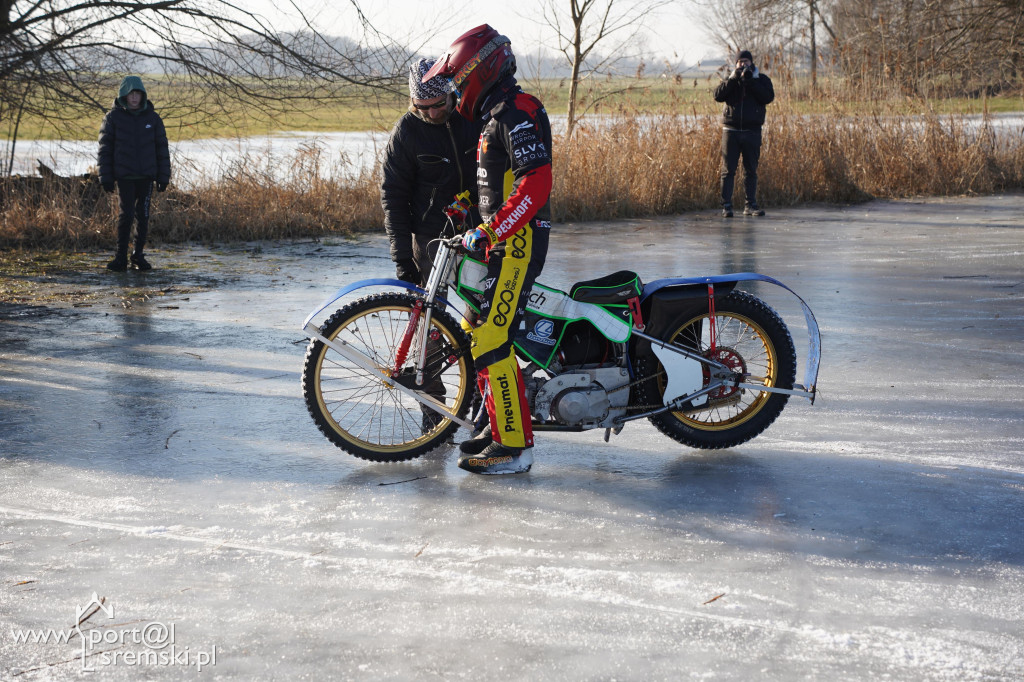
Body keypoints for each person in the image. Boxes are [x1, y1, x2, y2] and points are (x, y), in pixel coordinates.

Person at [423, 25, 553, 475]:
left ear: (482, 69)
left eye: (459, 79)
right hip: (498, 241)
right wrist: (470, 210)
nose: (456, 89)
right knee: (475, 325)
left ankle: (515, 448)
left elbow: (535, 184)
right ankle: (496, 426)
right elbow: (494, 189)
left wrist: (493, 229)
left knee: (494, 337)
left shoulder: (519, 111)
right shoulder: (494, 115)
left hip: (518, 242)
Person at [381, 58, 483, 287]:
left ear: (451, 93)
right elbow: (393, 196)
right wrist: (403, 258)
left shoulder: (474, 118)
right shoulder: (405, 132)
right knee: (427, 315)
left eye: (438, 104)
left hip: (479, 231)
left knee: (482, 311)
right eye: (422, 106)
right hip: (430, 236)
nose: (433, 113)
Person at [98, 75, 171, 271]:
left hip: (146, 177)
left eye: (137, 93)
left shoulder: (153, 119)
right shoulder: (112, 118)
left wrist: (163, 178)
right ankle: (120, 257)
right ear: (124, 95)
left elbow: (161, 149)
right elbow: (105, 149)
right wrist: (105, 177)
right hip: (124, 177)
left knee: (143, 216)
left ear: (143, 95)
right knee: (126, 215)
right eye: (130, 94)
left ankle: (138, 255)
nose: (134, 97)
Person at [713, 50, 774, 218]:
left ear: (752, 63)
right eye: (740, 62)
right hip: (731, 131)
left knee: (751, 170)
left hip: (752, 131)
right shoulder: (730, 79)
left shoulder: (761, 80)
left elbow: (768, 97)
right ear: (736, 64)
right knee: (728, 171)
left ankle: (750, 205)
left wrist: (752, 81)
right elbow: (718, 96)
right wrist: (733, 79)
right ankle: (726, 206)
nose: (743, 65)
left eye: (746, 61)